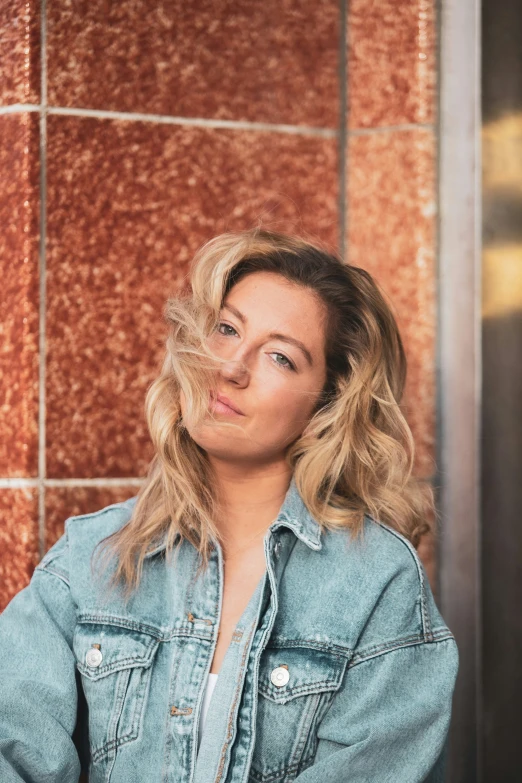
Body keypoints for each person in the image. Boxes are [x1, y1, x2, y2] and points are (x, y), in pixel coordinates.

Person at [0, 228, 459, 783]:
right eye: (225, 329)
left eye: (280, 358)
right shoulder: (90, 558)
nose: (231, 368)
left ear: (328, 405)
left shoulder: (378, 582)